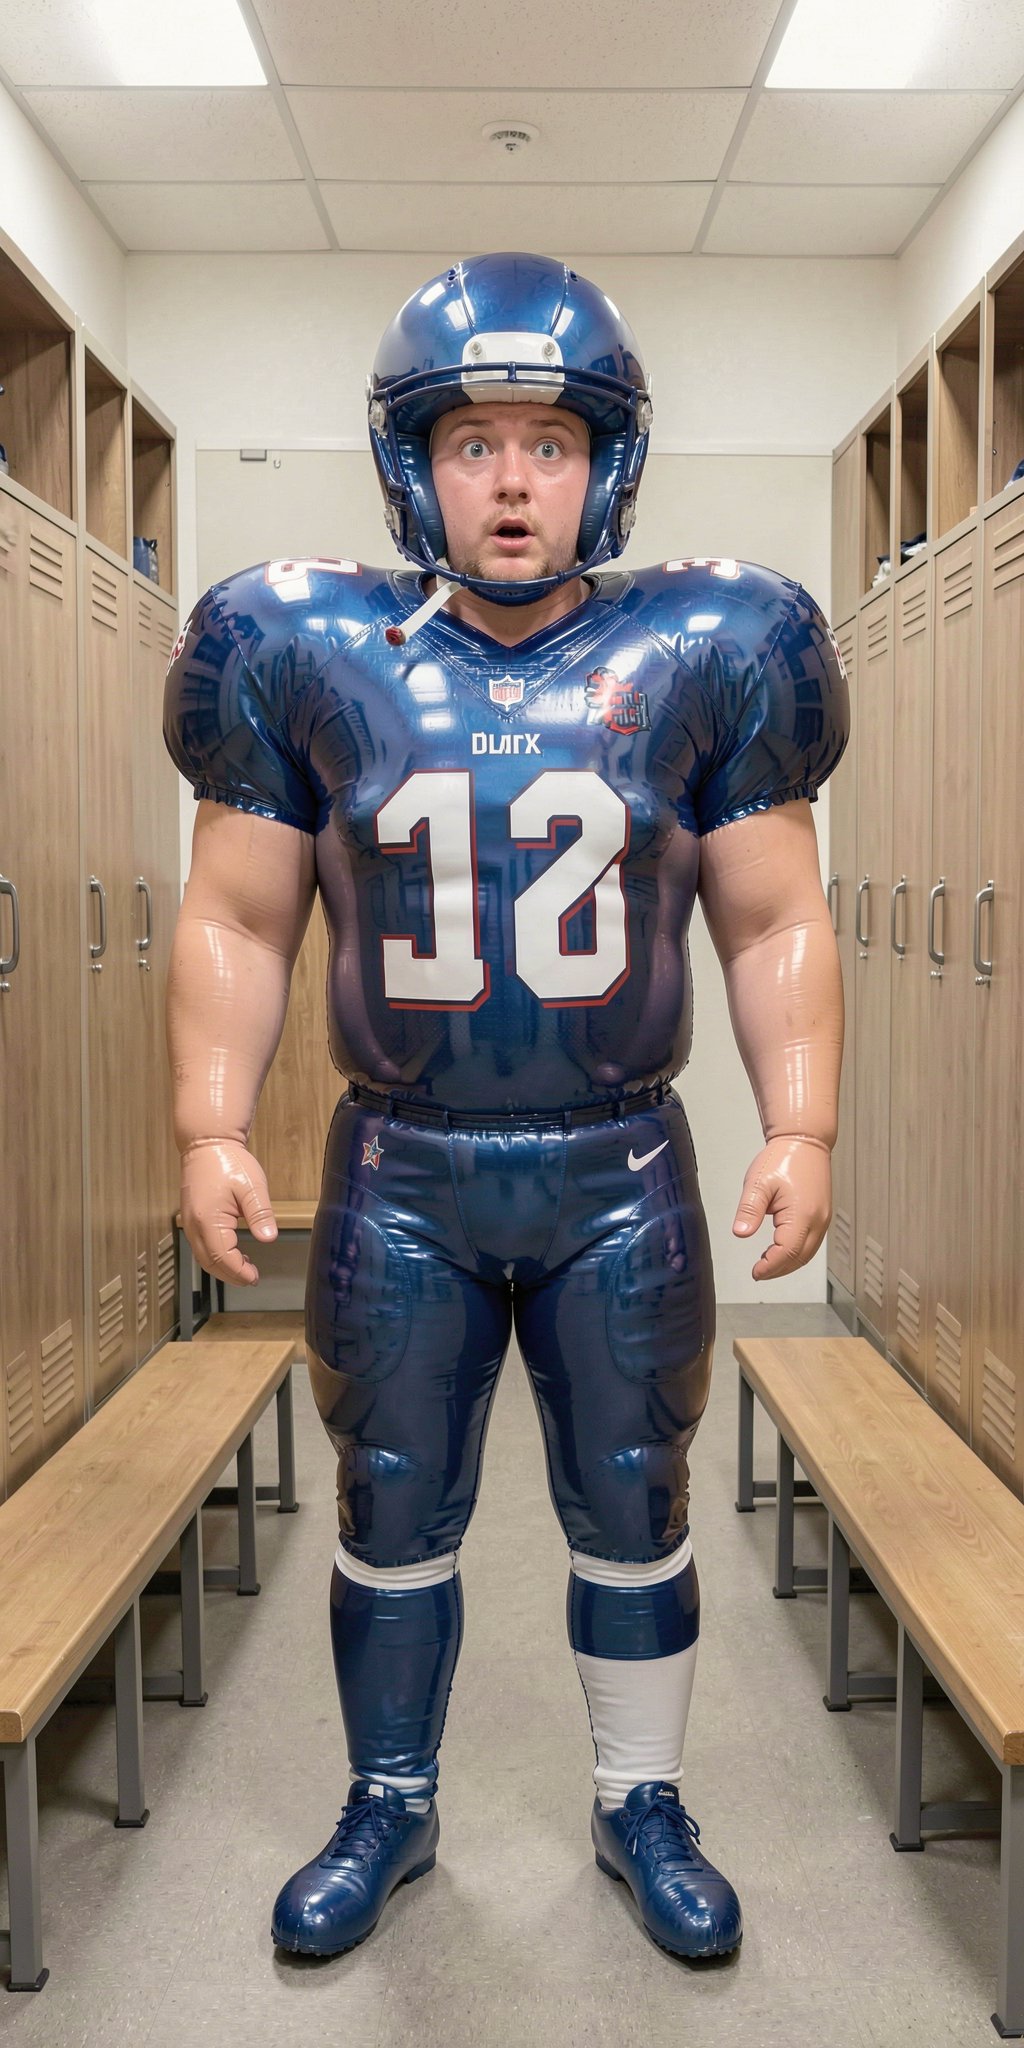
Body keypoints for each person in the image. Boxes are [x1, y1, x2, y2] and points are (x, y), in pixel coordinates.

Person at [163, 251, 849, 1968]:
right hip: (402, 1162)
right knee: (391, 1496)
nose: (517, 478)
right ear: (416, 465)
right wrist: (207, 1118)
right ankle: (388, 1801)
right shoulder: (304, 647)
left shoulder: (709, 645)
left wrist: (804, 1118)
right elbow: (238, 913)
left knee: (635, 1490)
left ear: (605, 461)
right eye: (477, 441)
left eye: (550, 440)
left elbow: (776, 914)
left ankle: (640, 1800)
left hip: (619, 1157)